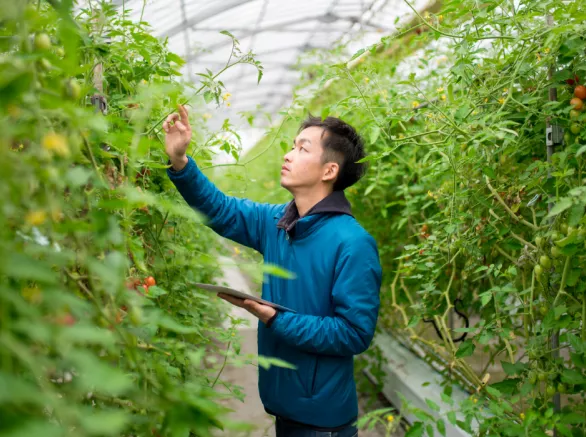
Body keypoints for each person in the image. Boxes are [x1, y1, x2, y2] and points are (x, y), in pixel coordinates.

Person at [164, 105, 382, 437]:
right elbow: (222, 210)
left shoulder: (352, 243)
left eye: (302, 148)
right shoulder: (279, 223)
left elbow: (354, 333)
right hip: (284, 409)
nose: (288, 154)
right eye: (293, 145)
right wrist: (180, 162)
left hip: (324, 424)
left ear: (329, 170)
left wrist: (275, 319)